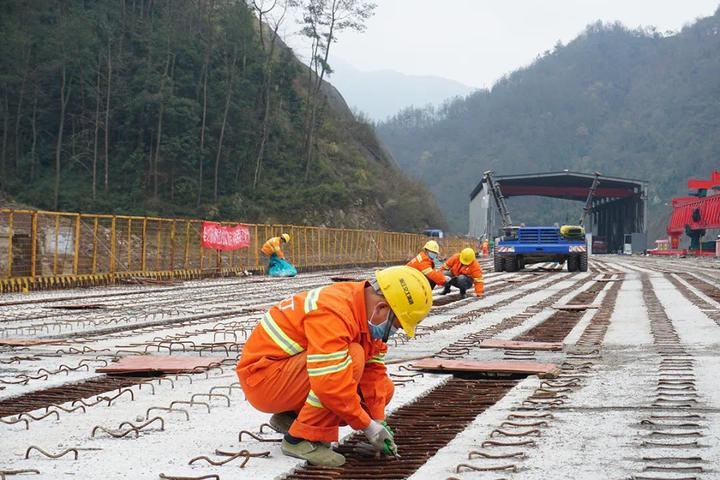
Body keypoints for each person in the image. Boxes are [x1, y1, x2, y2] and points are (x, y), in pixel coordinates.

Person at [236, 266, 432, 467]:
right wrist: (367, 426)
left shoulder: (363, 311)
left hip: (287, 376)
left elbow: (374, 373)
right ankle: (298, 439)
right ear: (381, 308)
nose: (392, 333)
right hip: (263, 380)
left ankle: (292, 417)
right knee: (352, 358)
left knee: (383, 391)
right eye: (396, 326)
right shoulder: (334, 311)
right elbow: (329, 381)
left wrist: (378, 420)